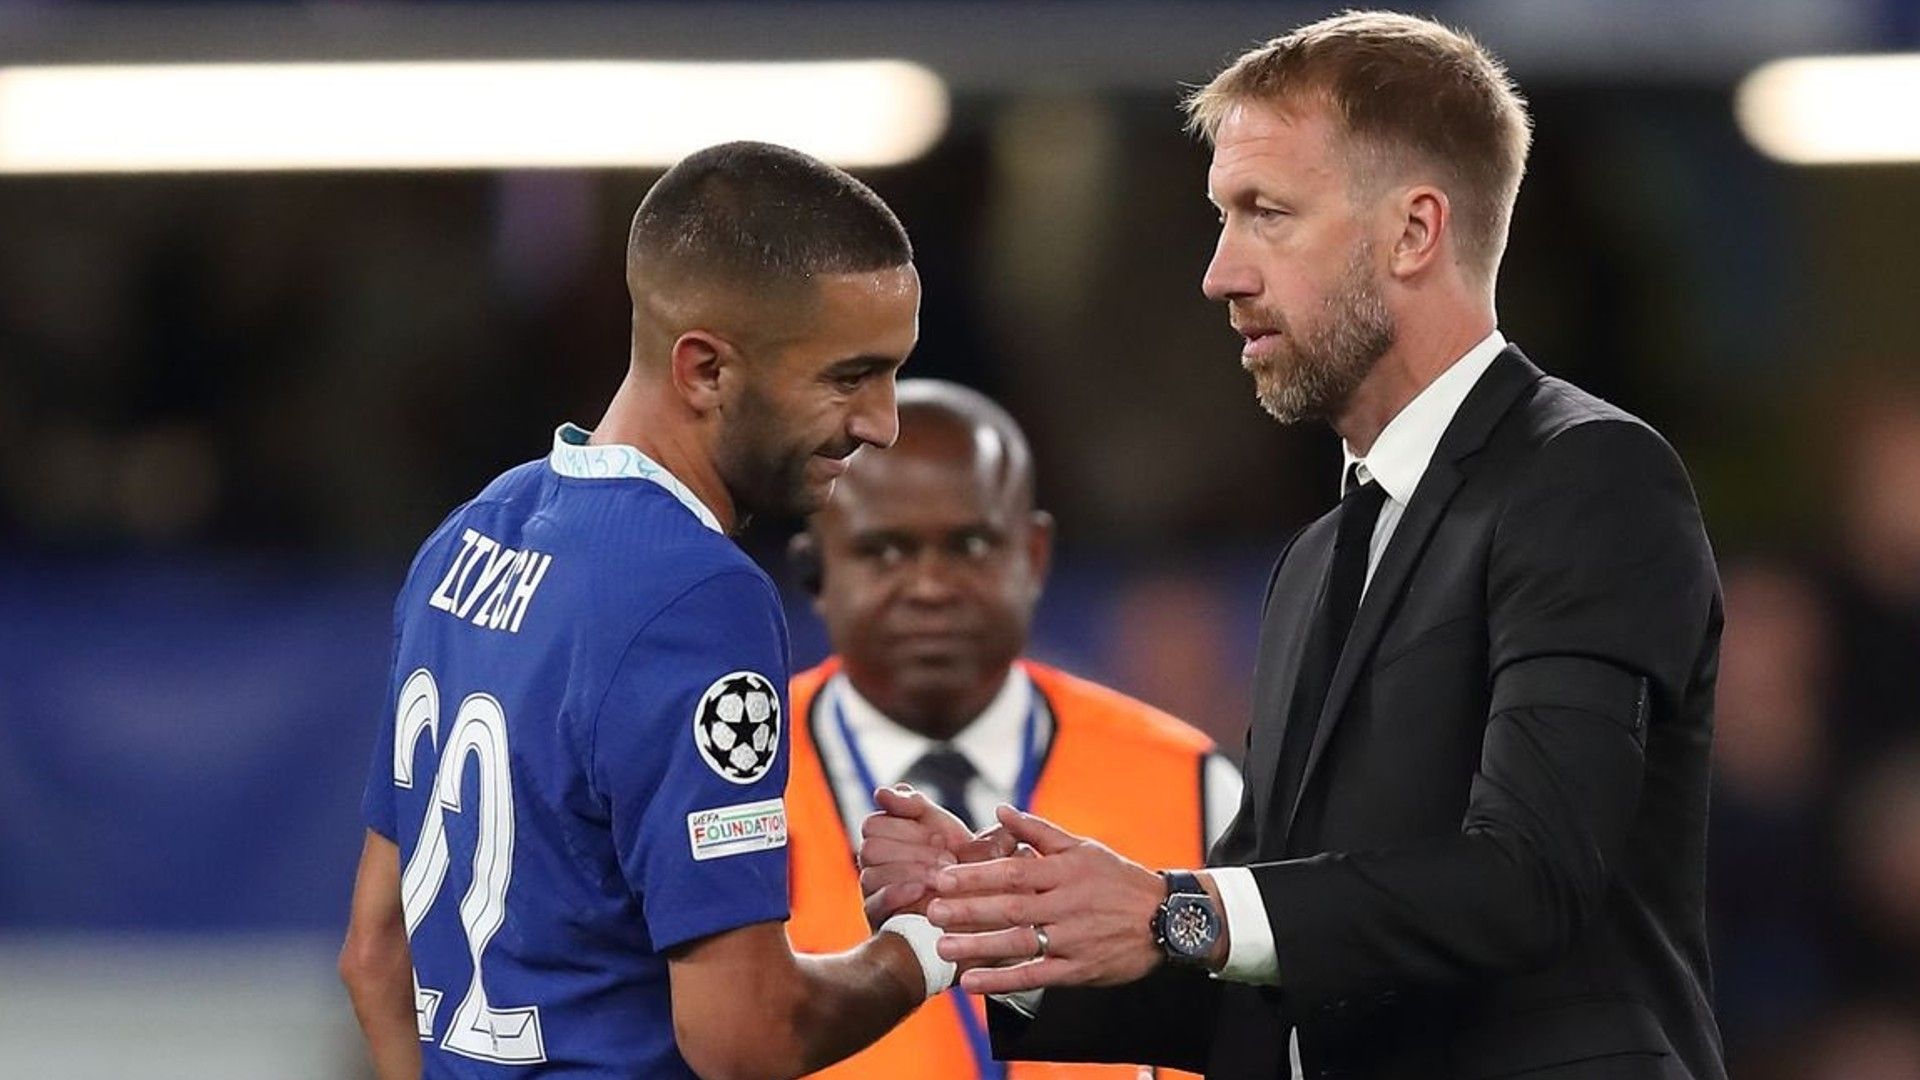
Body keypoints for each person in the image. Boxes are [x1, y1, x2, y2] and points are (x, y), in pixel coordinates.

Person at [861, 12, 1726, 1080]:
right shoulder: (1315, 564)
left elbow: (1531, 877)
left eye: (1265, 213)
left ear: (1415, 233)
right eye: (1223, 219)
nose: (1221, 272)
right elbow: (1265, 973)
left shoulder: (1589, 477)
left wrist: (1178, 907)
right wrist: (1013, 926)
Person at [338, 141, 961, 1080]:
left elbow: (376, 956)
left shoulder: (470, 534)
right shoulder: (697, 599)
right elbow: (744, 1035)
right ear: (705, 370)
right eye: (850, 377)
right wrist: (924, 946)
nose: (883, 422)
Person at [783, 379, 1242, 1079]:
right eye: (885, 551)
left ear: (1032, 554)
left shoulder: (1191, 780)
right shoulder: (736, 780)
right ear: (814, 570)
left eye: (969, 545)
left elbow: (1272, 1037)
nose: (930, 586)